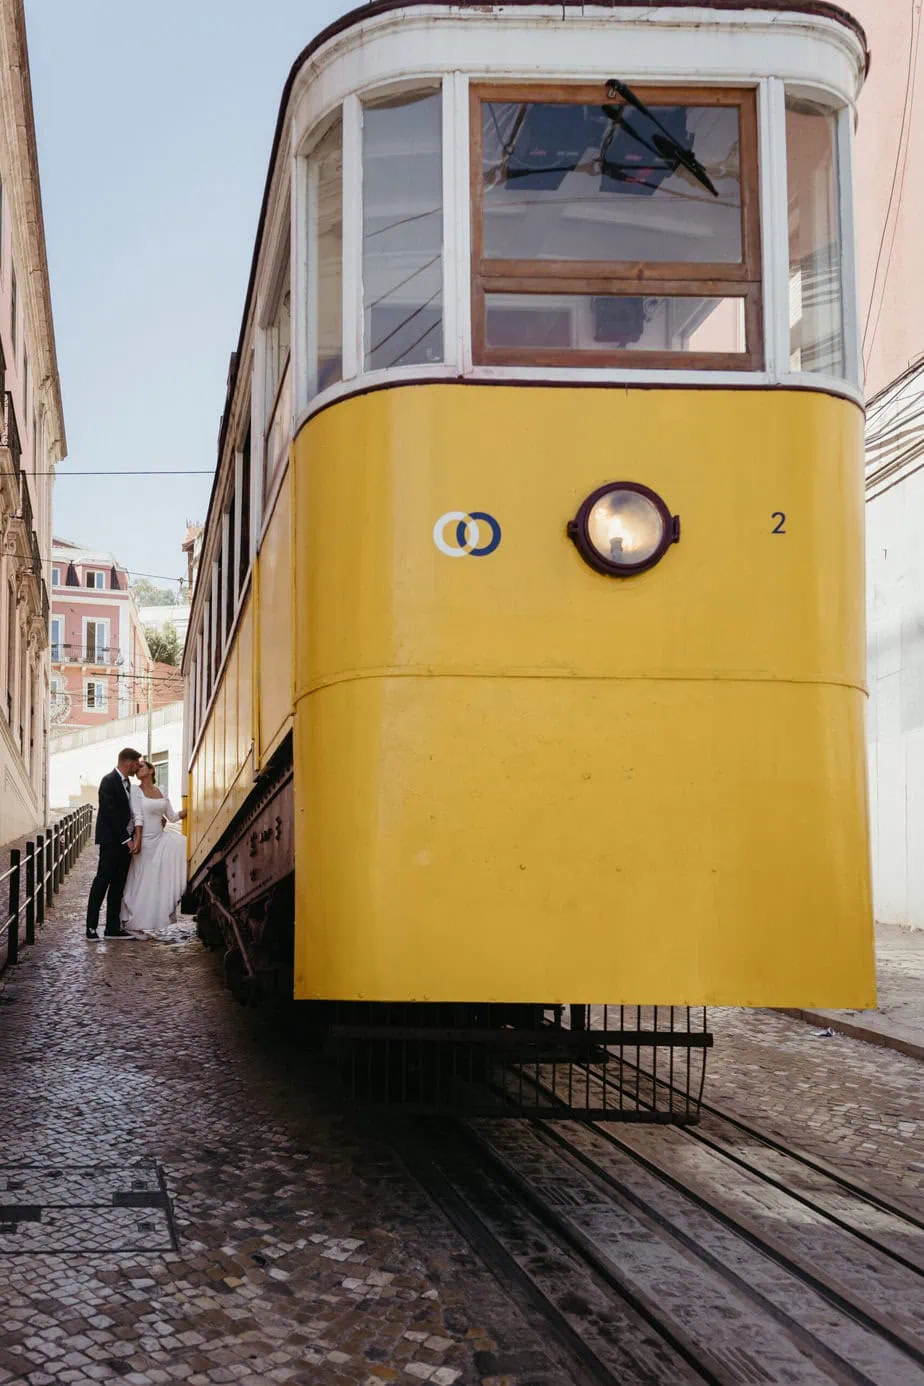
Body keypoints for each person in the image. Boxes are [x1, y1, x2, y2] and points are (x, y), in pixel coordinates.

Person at [120, 757, 187, 940]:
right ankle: (135, 922)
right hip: (144, 840)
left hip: (160, 839)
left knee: (182, 845)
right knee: (141, 881)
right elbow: (138, 816)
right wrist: (138, 841)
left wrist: (190, 810)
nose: (138, 769)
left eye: (142, 766)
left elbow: (171, 817)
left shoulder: (161, 790)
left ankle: (154, 917)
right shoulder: (136, 790)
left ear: (151, 770)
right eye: (137, 768)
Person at [86, 747, 143, 940]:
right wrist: (127, 840)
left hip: (125, 843)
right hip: (111, 842)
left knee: (118, 885)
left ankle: (112, 928)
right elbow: (110, 814)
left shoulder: (129, 784)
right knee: (102, 882)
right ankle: (91, 928)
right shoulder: (108, 781)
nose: (138, 768)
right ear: (128, 762)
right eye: (137, 764)